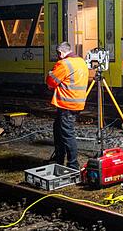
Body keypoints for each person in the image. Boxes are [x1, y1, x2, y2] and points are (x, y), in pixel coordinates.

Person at [45, 41, 89, 169]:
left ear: (60, 53)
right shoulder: (81, 61)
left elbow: (51, 82)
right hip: (77, 103)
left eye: (58, 54)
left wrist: (50, 74)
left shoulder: (63, 64)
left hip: (66, 104)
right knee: (58, 129)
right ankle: (59, 160)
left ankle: (73, 165)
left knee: (67, 134)